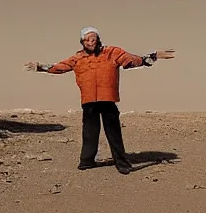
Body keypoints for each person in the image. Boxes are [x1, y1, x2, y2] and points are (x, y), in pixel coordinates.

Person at [24, 27, 158, 175]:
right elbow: (60, 67)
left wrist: (148, 58)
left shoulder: (111, 53)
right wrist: (40, 67)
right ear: (82, 42)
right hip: (89, 101)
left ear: (98, 39)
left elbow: (129, 60)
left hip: (107, 99)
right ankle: (86, 161)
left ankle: (122, 163)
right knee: (89, 132)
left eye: (93, 39)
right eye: (87, 39)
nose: (90, 42)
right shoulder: (78, 58)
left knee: (113, 132)